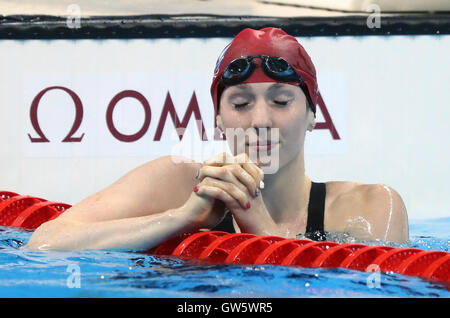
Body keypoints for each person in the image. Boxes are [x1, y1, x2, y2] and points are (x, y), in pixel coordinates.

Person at [24, 27, 408, 251]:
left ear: (313, 114)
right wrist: (182, 217)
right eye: (241, 103)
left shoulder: (370, 207)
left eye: (280, 101)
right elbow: (45, 244)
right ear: (219, 119)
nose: (260, 120)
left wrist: (257, 223)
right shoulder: (176, 183)